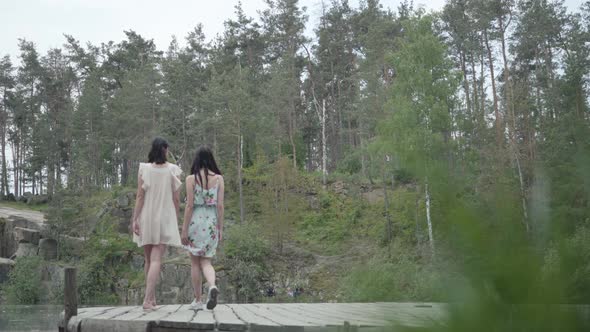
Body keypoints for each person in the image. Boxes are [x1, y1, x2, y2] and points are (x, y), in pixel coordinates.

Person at [131, 137, 183, 311]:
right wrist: (175, 218)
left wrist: (135, 219)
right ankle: (147, 300)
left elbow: (140, 196)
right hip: (163, 218)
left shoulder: (144, 169)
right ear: (165, 150)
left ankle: (151, 299)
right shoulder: (172, 170)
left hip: (146, 216)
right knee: (156, 259)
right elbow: (176, 199)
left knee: (148, 260)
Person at [181, 146, 224, 310]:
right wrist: (220, 228)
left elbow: (189, 206)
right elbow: (220, 206)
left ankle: (198, 300)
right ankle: (212, 285)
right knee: (206, 262)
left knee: (194, 263)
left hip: (195, 222)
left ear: (197, 160)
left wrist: (184, 230)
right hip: (212, 222)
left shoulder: (191, 179)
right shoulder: (219, 179)